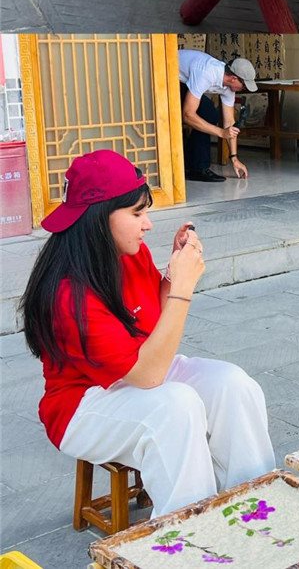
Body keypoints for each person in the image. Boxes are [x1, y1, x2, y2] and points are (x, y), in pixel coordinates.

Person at [20, 150, 274, 519]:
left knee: (233, 385)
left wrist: (172, 274)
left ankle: (255, 503)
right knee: (177, 407)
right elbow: (150, 374)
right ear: (98, 219)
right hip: (82, 402)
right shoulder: (67, 294)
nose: (148, 224)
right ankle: (188, 534)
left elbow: (153, 325)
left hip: (135, 369)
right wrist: (184, 288)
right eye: (137, 213)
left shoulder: (128, 252)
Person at [178, 50, 257, 183]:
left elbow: (229, 123)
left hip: (185, 80)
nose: (244, 89)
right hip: (166, 72)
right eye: (243, 85)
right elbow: (187, 115)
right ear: (233, 78)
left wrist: (234, 158)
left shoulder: (229, 87)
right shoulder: (207, 73)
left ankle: (193, 166)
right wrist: (220, 132)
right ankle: (197, 168)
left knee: (209, 114)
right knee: (208, 113)